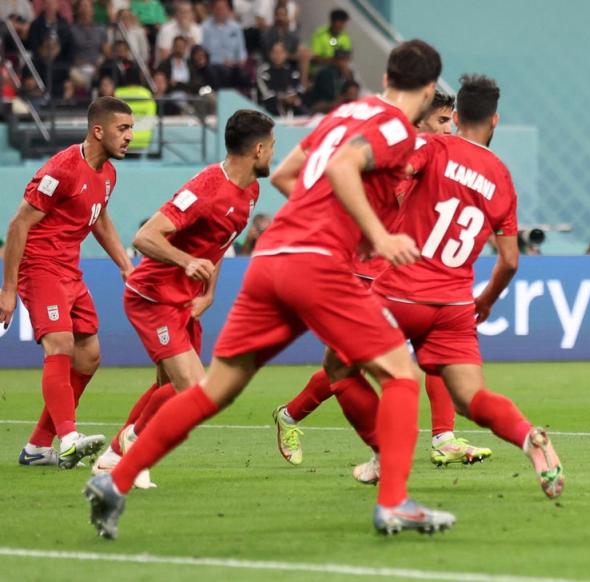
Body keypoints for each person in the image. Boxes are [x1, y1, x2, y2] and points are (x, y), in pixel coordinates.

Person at [83, 39, 447, 539]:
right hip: (316, 265)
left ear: (386, 76)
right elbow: (342, 170)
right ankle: (395, 503)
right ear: (428, 89)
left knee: (214, 389)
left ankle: (116, 480)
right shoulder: (393, 129)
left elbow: (286, 175)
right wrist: (375, 235)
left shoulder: (346, 114)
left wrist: (334, 221)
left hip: (272, 258)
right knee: (403, 374)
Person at [272, 90, 495, 474]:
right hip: (359, 270)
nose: (449, 127)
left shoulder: (431, 158)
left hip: (402, 274)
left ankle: (443, 439)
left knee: (434, 355)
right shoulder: (390, 151)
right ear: (421, 118)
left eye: (450, 120)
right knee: (348, 364)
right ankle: (293, 416)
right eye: (442, 120)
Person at [370, 74, 564, 497]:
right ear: (495, 120)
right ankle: (528, 436)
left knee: (343, 365)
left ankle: (382, 457)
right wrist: (486, 300)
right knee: (470, 397)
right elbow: (510, 260)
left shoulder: (434, 146)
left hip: (399, 291)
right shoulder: (502, 177)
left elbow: (391, 174)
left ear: (454, 117)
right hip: (456, 303)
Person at [90, 109, 273, 489]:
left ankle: (111, 459)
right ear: (257, 149)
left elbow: (219, 245)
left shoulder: (250, 189)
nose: (273, 154)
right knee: (194, 388)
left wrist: (209, 291)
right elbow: (145, 238)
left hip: (183, 300)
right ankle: (134, 445)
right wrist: (186, 261)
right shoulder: (207, 188)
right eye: (271, 146)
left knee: (167, 388)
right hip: (152, 296)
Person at [1, 97, 134, 469]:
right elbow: (18, 225)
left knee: (89, 355)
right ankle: (70, 437)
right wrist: (8, 290)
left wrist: (126, 265)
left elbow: (99, 219)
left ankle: (38, 446)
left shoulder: (108, 174)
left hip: (70, 270)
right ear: (98, 130)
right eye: (122, 129)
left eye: (130, 129)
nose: (129, 137)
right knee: (59, 342)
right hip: (39, 266)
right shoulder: (61, 169)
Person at [201, 0, 247, 90]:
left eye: (223, 8)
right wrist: (222, 62)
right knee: (216, 71)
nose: (220, 11)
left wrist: (238, 61)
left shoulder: (236, 27)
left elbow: (241, 51)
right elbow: (203, 52)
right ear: (212, 9)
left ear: (229, 10)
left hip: (233, 67)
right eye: (218, 8)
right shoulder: (204, 28)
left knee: (243, 75)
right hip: (212, 67)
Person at [256, 40, 305, 116]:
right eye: (275, 52)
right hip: (270, 107)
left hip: (291, 105)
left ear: (286, 54)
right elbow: (266, 93)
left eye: (281, 52)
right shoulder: (263, 71)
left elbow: (299, 88)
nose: (278, 55)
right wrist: (282, 98)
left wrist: (292, 96)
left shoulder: (291, 70)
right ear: (270, 54)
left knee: (300, 107)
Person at [155, 0, 202, 66]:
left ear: (192, 14)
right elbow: (164, 57)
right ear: (176, 14)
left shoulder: (197, 29)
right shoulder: (166, 29)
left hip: (190, 68)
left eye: (187, 12)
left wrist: (189, 35)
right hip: (167, 67)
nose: (185, 15)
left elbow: (199, 55)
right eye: (182, 12)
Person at [307, 48, 353, 114]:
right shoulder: (326, 73)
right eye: (342, 60)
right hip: (323, 103)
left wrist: (347, 77)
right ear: (335, 60)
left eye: (346, 60)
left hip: (338, 103)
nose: (344, 63)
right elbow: (330, 94)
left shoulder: (348, 73)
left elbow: (353, 89)